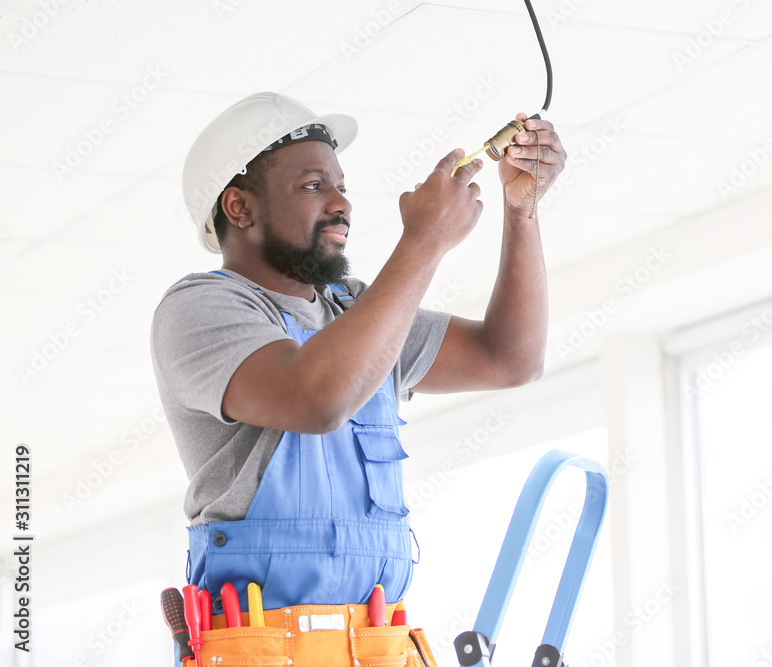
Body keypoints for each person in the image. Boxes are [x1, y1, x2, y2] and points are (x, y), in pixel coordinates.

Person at [150, 92, 565, 665]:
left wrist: (522, 210)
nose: (342, 202)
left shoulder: (358, 315)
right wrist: (423, 241)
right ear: (239, 208)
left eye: (340, 184)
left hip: (376, 647)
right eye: (314, 185)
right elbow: (317, 398)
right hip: (262, 648)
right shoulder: (199, 308)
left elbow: (510, 358)